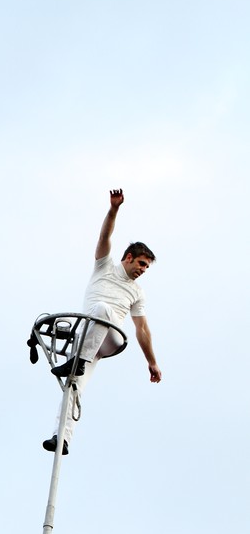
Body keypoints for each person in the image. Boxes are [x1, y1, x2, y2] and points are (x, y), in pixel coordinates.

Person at [43, 189, 162, 455]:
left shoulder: (137, 293)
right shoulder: (104, 266)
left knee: (103, 309)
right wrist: (114, 209)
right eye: (141, 264)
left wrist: (151, 361)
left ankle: (78, 361)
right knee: (73, 386)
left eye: (147, 268)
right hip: (88, 336)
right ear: (129, 257)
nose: (143, 271)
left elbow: (142, 328)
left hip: (112, 338)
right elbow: (104, 236)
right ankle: (61, 438)